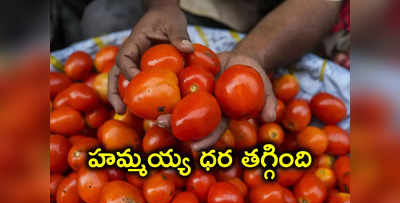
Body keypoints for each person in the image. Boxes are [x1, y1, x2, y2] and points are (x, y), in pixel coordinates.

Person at [107, 0, 343, 151]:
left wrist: (254, 54)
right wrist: (162, 7)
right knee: (104, 16)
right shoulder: (183, 76)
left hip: (288, 14)